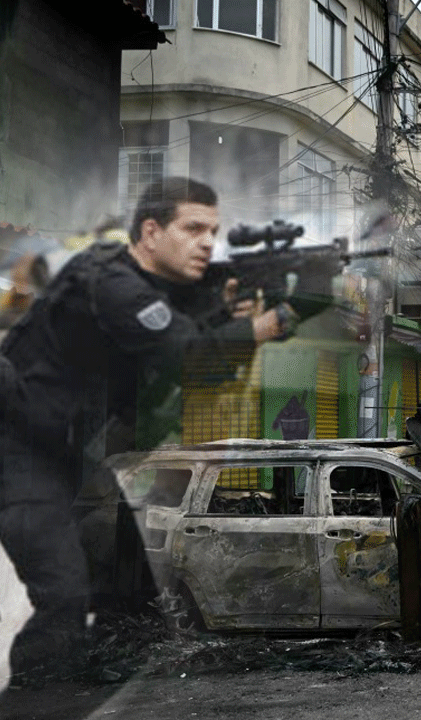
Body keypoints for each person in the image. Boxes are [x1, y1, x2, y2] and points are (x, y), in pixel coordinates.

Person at [0, 177, 291, 685]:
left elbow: (188, 367)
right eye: (193, 227)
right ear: (151, 231)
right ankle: (34, 694)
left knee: (126, 590)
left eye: (214, 231)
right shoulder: (110, 280)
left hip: (69, 452)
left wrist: (225, 313)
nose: (207, 241)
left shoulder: (149, 291)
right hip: (21, 451)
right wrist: (258, 327)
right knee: (65, 596)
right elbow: (184, 353)